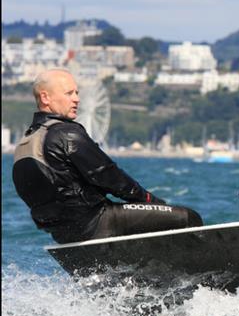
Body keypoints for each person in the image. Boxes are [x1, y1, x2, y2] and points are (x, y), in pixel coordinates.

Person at [12, 68, 203, 244]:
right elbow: (109, 176)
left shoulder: (24, 145)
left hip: (63, 235)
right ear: (45, 98)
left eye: (77, 93)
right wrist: (151, 202)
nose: (77, 99)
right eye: (69, 93)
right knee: (187, 217)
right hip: (98, 223)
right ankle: (200, 273)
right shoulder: (66, 133)